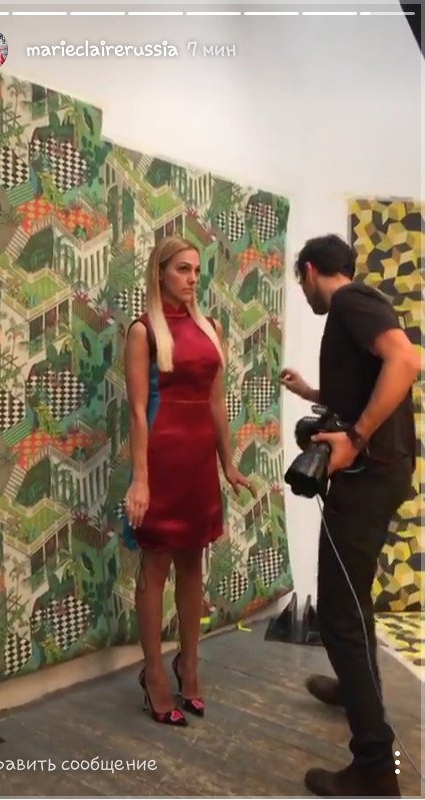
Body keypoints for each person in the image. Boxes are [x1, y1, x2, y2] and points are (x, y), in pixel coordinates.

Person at [281, 234, 419, 797]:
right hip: (377, 475)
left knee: (339, 614)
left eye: (301, 282)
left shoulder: (349, 303)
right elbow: (365, 385)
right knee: (353, 599)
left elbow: (406, 360)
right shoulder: (361, 306)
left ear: (310, 270)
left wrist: (355, 439)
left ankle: (374, 766)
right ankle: (354, 687)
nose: (304, 292)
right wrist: (311, 391)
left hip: (366, 478)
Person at [123, 235, 256, 726]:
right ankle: (155, 674)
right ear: (160, 272)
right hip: (161, 459)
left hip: (198, 463)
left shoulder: (210, 327)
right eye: (182, 269)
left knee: (193, 564)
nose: (193, 278)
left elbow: (217, 404)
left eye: (197, 270)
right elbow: (137, 412)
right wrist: (141, 480)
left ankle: (190, 667)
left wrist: (228, 464)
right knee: (155, 565)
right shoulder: (144, 331)